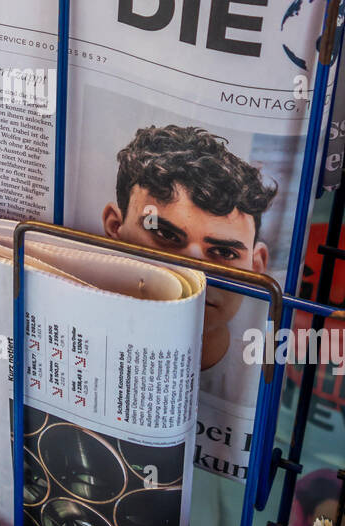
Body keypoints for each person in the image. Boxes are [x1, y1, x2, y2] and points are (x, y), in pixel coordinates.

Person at [102, 125, 275, 373]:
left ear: (256, 266)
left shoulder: (259, 377)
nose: (194, 272)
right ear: (115, 227)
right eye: (164, 234)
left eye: (225, 252)